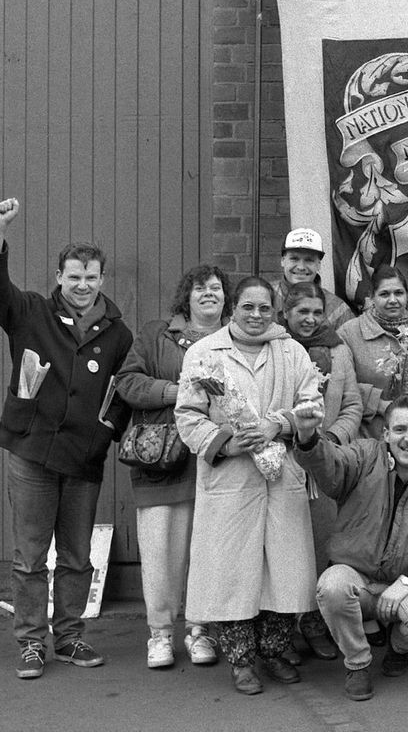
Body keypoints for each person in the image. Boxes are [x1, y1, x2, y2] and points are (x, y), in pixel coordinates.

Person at [0, 197, 133, 679]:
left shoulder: (119, 335)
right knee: (29, 556)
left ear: (101, 280)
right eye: (73, 277)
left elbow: (122, 393)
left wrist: (111, 433)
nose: (82, 286)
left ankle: (68, 638)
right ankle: (30, 642)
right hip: (31, 453)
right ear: (59, 277)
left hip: (84, 460)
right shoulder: (30, 313)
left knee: (77, 556)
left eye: (90, 278)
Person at [173, 277, 323, 695]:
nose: (256, 316)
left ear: (275, 312)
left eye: (264, 309)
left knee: (283, 569)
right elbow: (187, 415)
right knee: (232, 570)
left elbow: (314, 406)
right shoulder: (205, 353)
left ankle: (274, 650)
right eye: (247, 308)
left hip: (281, 476)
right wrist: (229, 443)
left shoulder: (292, 351)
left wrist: (279, 423)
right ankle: (241, 660)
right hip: (230, 478)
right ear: (233, 309)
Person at [291, 395, 408, 702]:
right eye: (400, 429)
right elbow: (331, 467)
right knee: (331, 587)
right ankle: (358, 663)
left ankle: (398, 649)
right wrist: (308, 437)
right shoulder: (363, 456)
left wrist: (405, 581)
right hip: (357, 579)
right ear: (385, 433)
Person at [115, 265, 231, 669]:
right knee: (161, 551)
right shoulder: (155, 334)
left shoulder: (236, 337)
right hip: (160, 458)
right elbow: (126, 382)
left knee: (207, 551)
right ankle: (160, 635)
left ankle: (200, 630)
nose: (209, 294)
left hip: (216, 460)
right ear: (187, 296)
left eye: (216, 288)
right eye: (201, 288)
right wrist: (173, 391)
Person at [280, 281, 364, 661]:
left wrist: (326, 440)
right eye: (302, 312)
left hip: (324, 461)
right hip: (281, 461)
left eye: (317, 312)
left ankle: (315, 623)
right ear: (287, 314)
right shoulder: (276, 348)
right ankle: (282, 628)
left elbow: (352, 406)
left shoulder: (338, 351)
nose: (311, 319)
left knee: (319, 546)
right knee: (284, 548)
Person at [337, 265, 408, 439]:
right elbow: (343, 386)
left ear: (407, 295)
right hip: (365, 438)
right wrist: (381, 405)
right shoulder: (349, 333)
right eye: (384, 294)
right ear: (371, 297)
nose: (393, 300)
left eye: (399, 293)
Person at [272, 227, 355, 331]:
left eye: (309, 260)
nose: (301, 267)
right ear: (283, 261)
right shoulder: (266, 297)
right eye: (294, 259)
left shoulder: (338, 309)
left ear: (319, 265)